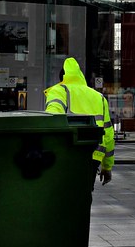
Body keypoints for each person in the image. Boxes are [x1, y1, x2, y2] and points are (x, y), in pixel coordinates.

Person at [44, 57, 114, 186]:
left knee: (65, 195)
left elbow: (51, 119)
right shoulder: (99, 97)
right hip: (94, 155)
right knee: (85, 193)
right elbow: (108, 135)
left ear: (62, 79)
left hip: (67, 153)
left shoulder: (59, 91)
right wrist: (107, 167)